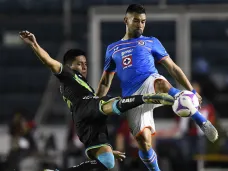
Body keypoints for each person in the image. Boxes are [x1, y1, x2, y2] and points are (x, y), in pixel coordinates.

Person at [19, 30, 174, 171]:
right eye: (79, 64)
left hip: (83, 121)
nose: (84, 67)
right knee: (108, 104)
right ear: (69, 66)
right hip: (85, 106)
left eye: (85, 64)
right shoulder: (68, 75)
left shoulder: (80, 84)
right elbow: (50, 62)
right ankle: (147, 97)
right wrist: (34, 45)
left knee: (108, 161)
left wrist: (111, 151)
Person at [96, 4, 218, 171]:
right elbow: (105, 82)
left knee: (160, 83)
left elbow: (173, 68)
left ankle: (200, 120)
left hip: (150, 82)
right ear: (126, 20)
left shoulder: (151, 42)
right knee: (144, 143)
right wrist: (95, 105)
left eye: (143, 21)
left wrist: (192, 90)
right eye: (136, 21)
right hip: (132, 98)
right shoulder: (112, 49)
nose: (140, 25)